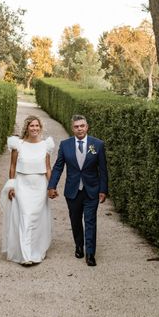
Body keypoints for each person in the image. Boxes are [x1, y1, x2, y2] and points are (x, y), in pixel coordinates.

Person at [47, 114, 108, 267]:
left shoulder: (98, 145)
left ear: (87, 127)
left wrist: (103, 189)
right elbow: (58, 167)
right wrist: (52, 186)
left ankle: (90, 253)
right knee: (75, 220)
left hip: (91, 190)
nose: (79, 129)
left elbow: (103, 170)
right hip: (72, 190)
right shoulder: (65, 145)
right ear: (72, 128)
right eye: (76, 126)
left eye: (82, 126)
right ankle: (79, 246)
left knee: (90, 221)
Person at [0, 115, 54, 266]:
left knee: (37, 219)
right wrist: (11, 185)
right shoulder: (18, 144)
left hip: (40, 186)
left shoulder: (46, 145)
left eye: (37, 126)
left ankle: (37, 249)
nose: (34, 128)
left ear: (40, 128)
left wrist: (51, 187)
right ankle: (26, 255)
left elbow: (48, 168)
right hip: (22, 185)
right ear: (27, 128)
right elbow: (12, 166)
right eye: (32, 126)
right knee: (25, 216)